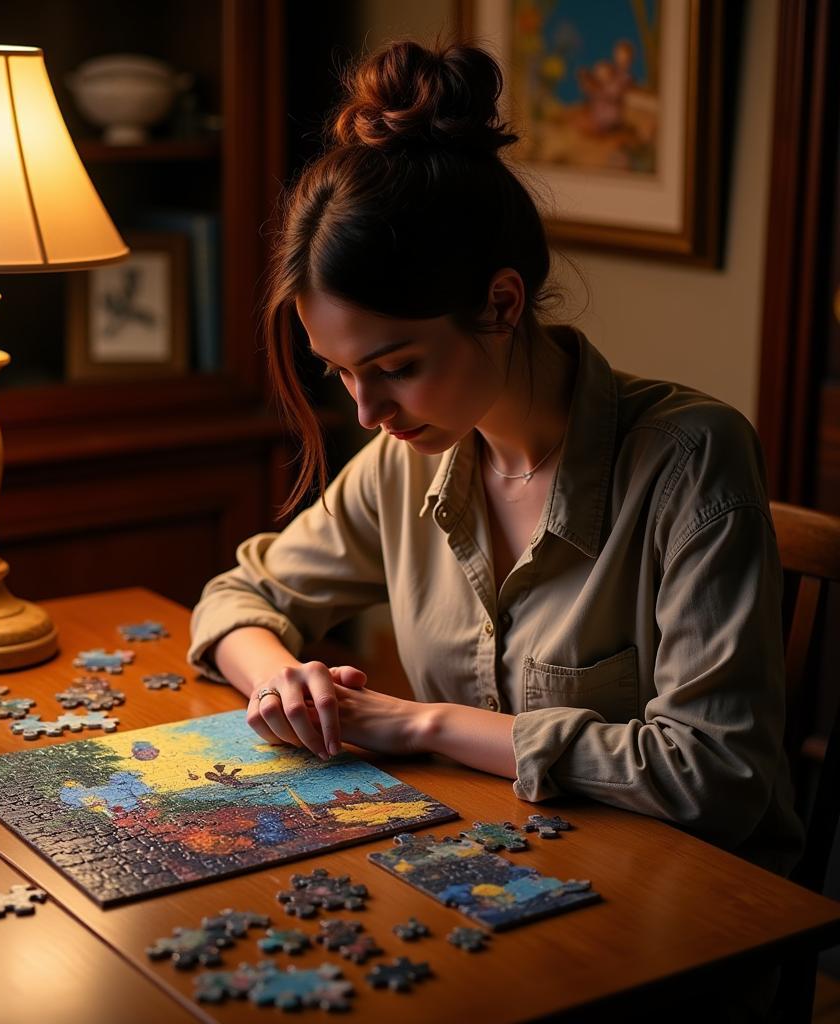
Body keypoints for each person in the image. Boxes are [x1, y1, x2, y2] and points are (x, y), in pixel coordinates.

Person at [188, 39, 803, 878]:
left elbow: (718, 776)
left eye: (397, 367)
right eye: (340, 374)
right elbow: (240, 595)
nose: (366, 414)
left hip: (683, 911)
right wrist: (287, 685)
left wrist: (418, 722)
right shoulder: (405, 458)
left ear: (502, 304)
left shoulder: (691, 461)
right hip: (490, 871)